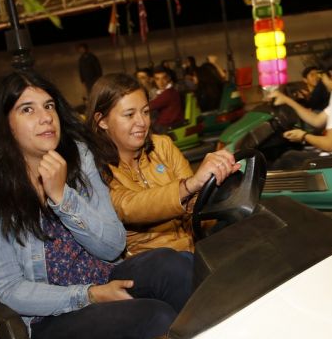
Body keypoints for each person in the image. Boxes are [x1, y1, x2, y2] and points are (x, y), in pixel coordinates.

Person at [0, 70, 193, 339]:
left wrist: (62, 196)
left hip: (103, 275)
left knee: (175, 265)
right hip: (50, 316)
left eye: (49, 106)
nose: (45, 117)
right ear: (4, 124)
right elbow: (9, 290)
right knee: (154, 317)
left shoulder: (78, 157)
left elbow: (113, 246)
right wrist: (88, 295)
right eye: (27, 109)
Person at [88, 73, 240, 255]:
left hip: (192, 245)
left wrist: (219, 187)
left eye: (145, 112)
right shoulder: (96, 166)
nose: (142, 122)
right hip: (151, 258)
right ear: (102, 121)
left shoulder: (162, 146)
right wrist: (190, 185)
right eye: (129, 115)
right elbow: (128, 207)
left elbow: (195, 206)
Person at [149, 66, 183, 132]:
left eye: (163, 78)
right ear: (154, 80)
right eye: (157, 79)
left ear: (168, 78)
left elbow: (149, 106)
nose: (161, 82)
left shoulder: (169, 93)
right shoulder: (165, 92)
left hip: (168, 126)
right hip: (165, 125)